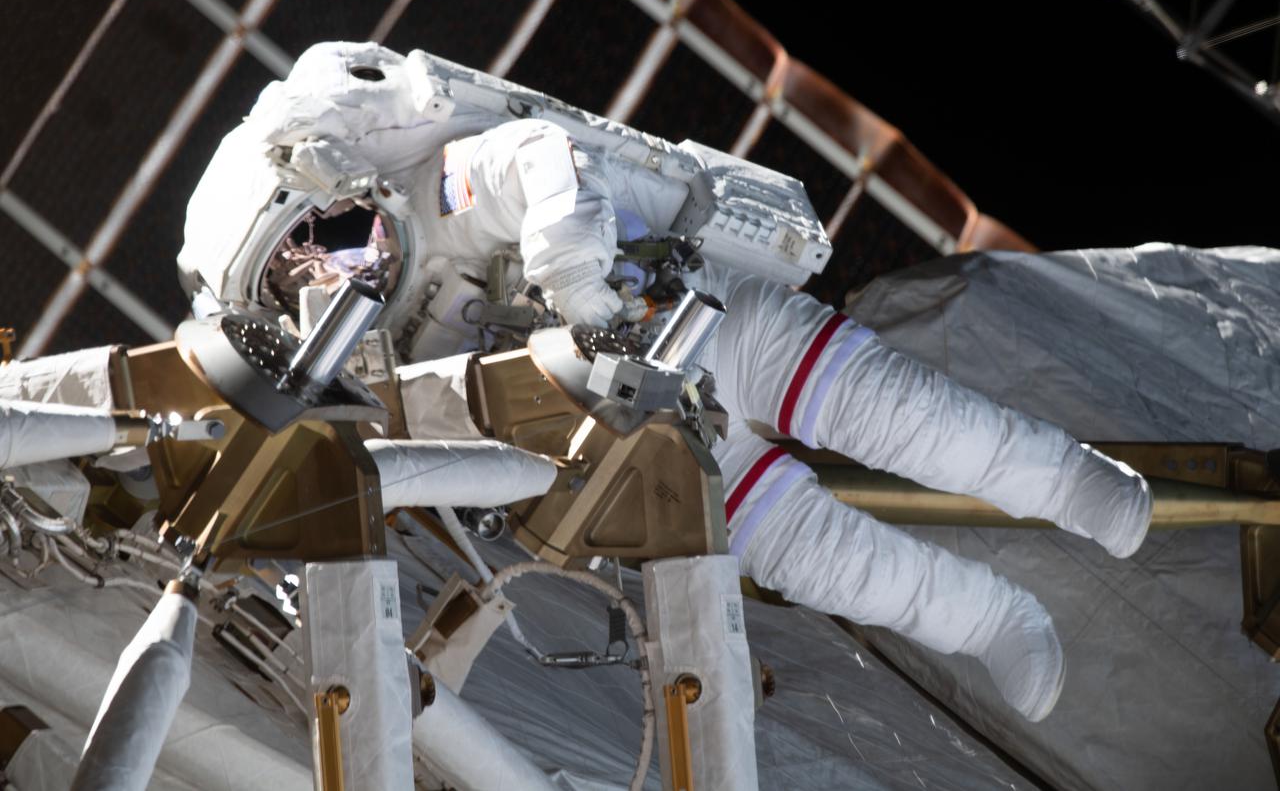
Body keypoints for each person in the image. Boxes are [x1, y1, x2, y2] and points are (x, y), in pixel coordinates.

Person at [180, 42, 1152, 722]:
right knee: (821, 560)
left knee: (916, 423)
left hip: (706, 324)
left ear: (348, 185)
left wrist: (577, 288)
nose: (337, 271)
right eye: (302, 278)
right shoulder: (375, 365)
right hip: (642, 433)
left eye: (333, 234)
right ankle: (997, 621)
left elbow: (540, 160)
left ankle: (1077, 485)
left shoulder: (438, 192)